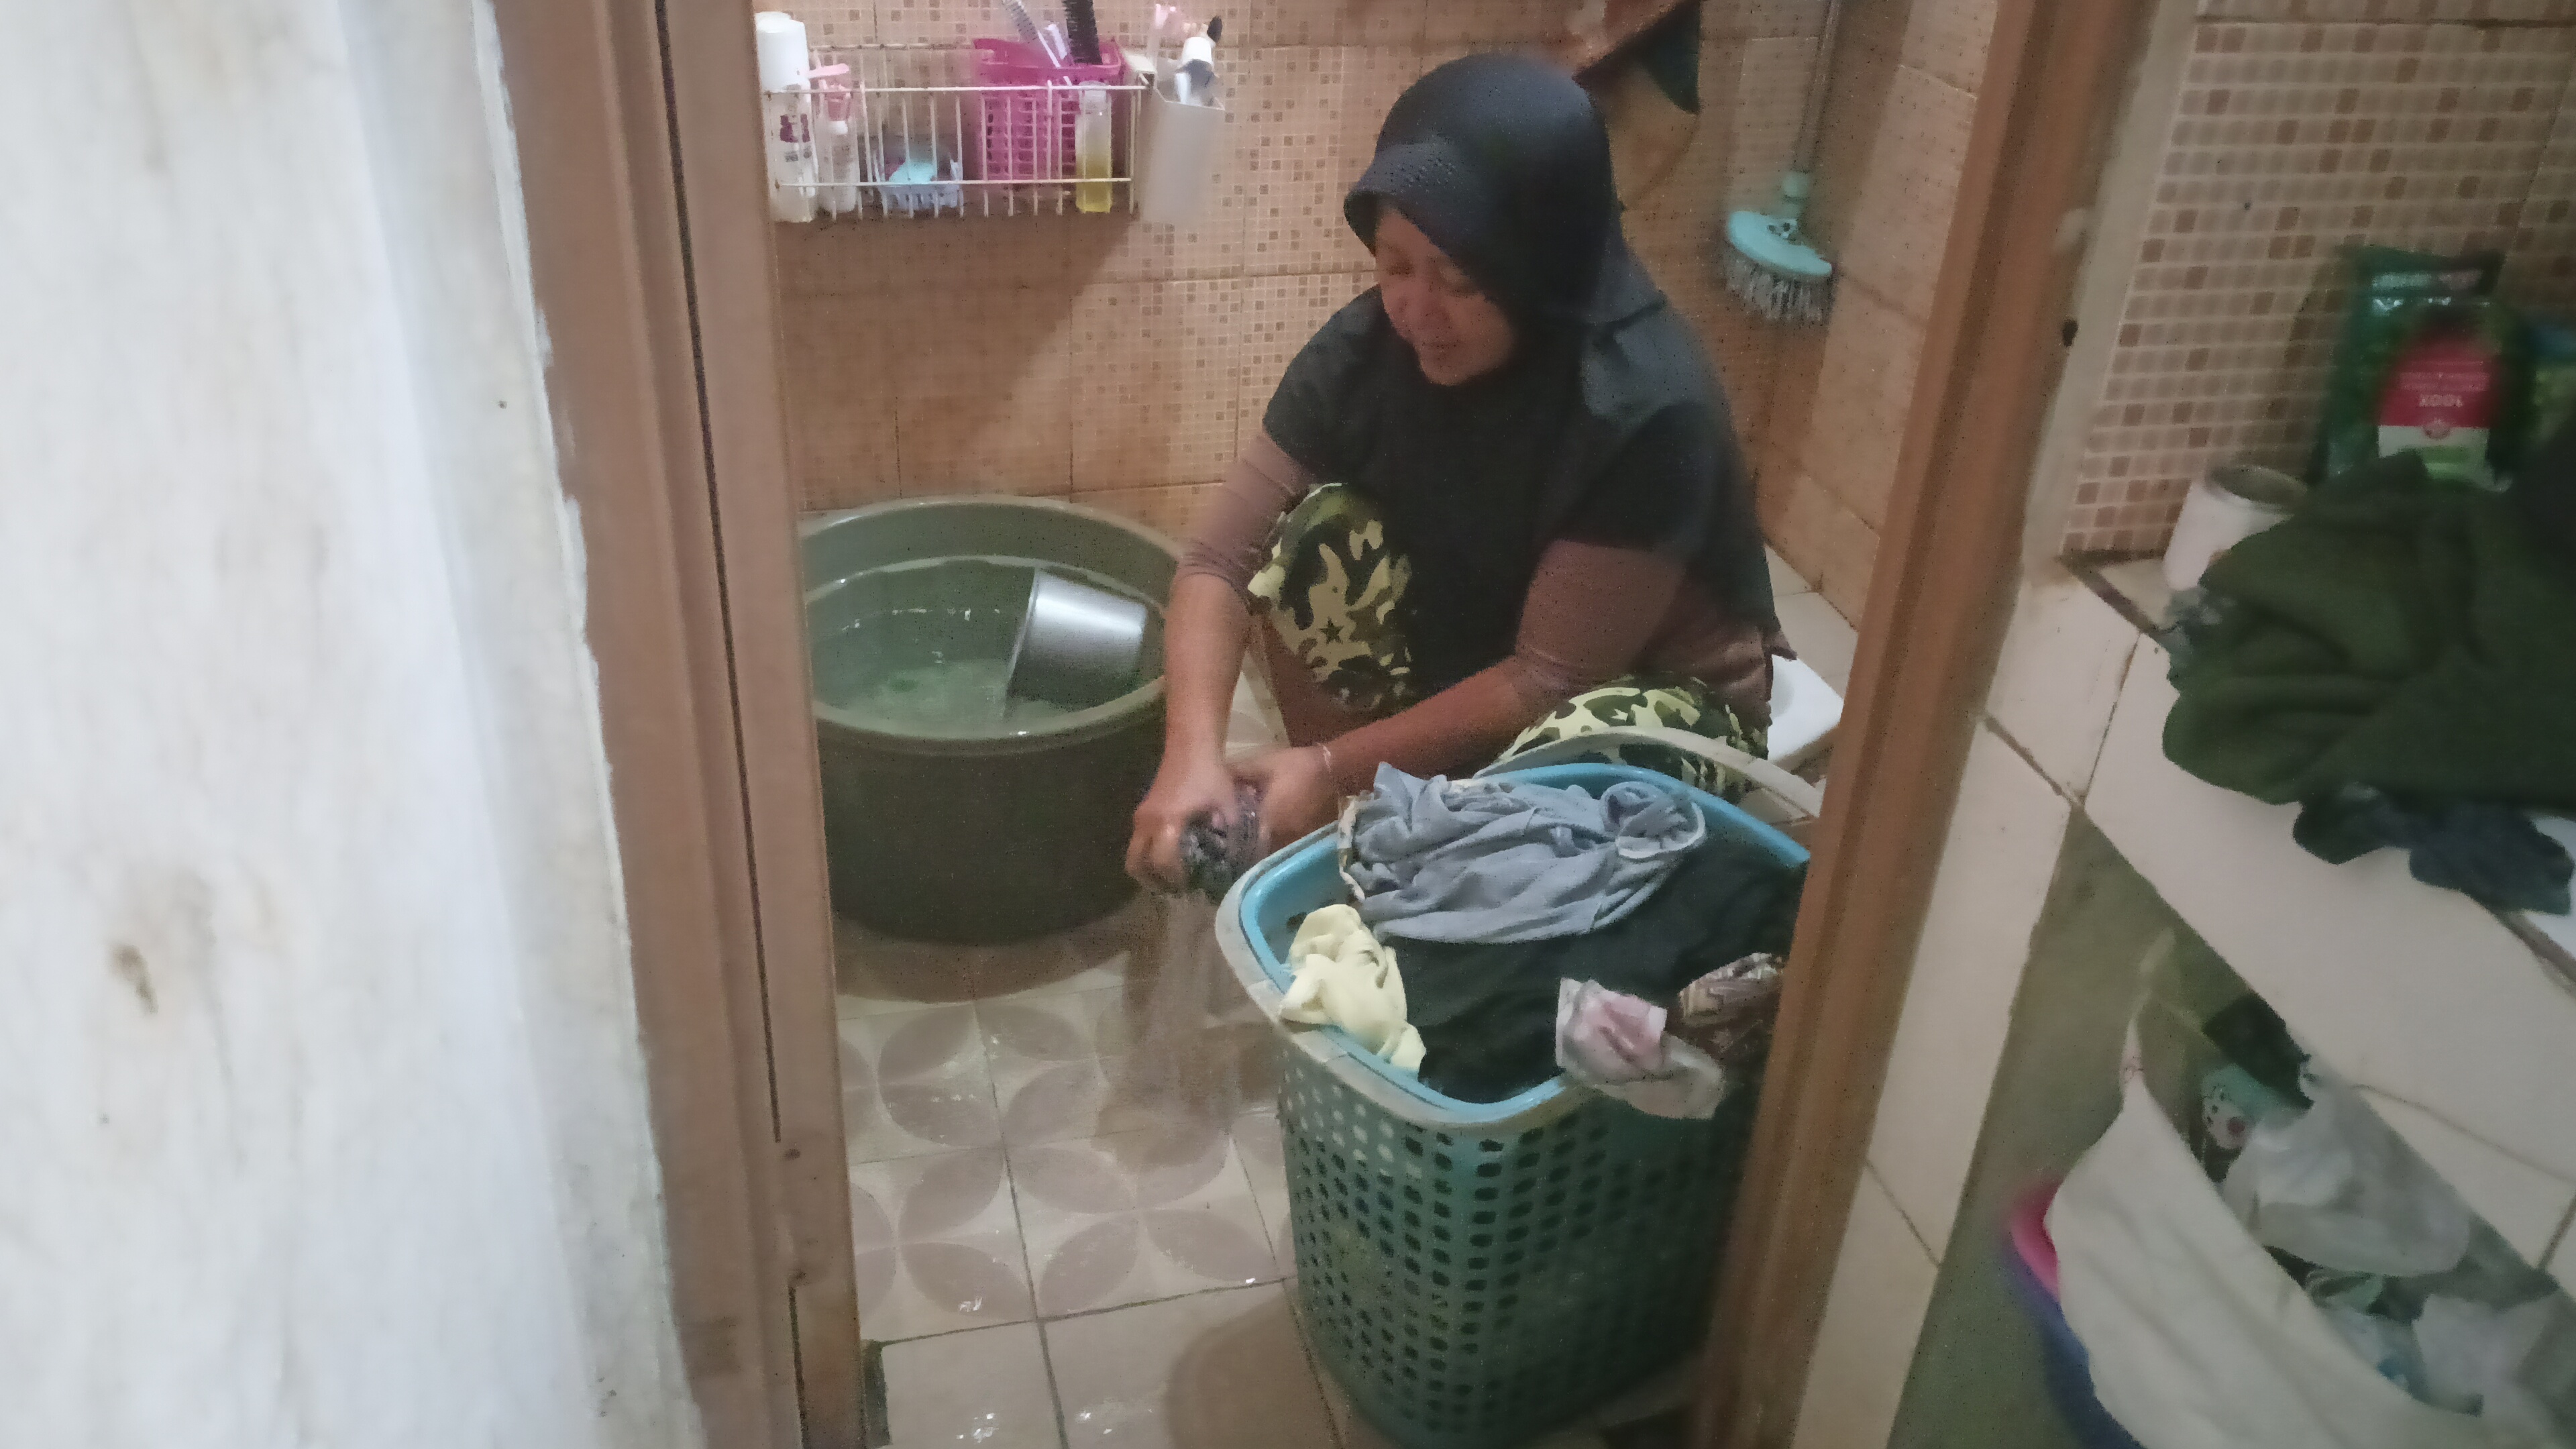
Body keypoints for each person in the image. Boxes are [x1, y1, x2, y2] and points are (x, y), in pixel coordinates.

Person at [1125, 52, 1784, 892]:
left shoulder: (1645, 408)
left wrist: (1329, 766)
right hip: (1485, 648)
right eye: (1394, 265)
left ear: (1535, 267)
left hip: (1638, 696)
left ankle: (1400, 821)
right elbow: (1218, 561)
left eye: (1461, 280)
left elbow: (1545, 680)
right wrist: (1190, 757)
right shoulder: (1366, 351)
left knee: (1550, 800)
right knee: (1316, 540)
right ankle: (1365, 813)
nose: (1415, 311)